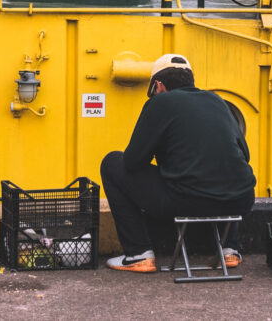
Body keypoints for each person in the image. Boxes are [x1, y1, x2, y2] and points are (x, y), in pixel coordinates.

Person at [100, 54, 256, 273]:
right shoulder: (217, 101)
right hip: (241, 200)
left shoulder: (159, 102)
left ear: (158, 85)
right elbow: (244, 155)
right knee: (226, 166)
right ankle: (230, 250)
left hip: (187, 200)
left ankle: (138, 254)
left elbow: (133, 161)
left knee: (112, 163)